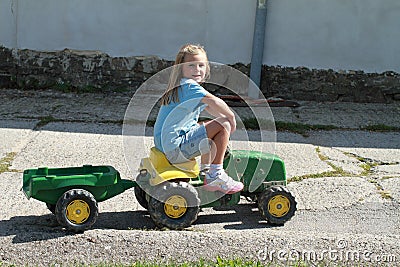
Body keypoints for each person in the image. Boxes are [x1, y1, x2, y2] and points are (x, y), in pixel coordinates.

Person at [153, 44, 243, 194]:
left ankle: (206, 170)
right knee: (223, 123)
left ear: (206, 68)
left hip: (165, 146)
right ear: (181, 68)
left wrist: (220, 128)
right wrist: (230, 119)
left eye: (201, 65)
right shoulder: (189, 86)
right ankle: (216, 174)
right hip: (175, 149)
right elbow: (215, 102)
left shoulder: (182, 87)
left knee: (208, 125)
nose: (197, 70)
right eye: (191, 65)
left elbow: (209, 108)